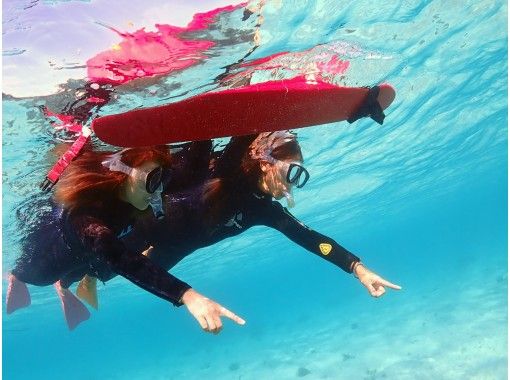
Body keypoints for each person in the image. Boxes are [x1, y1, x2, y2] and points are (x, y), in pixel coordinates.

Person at [73, 131, 401, 334]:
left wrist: (358, 269)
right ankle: (71, 275)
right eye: (292, 172)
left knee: (105, 274)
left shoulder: (264, 209)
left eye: (299, 176)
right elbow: (241, 129)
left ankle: (81, 282)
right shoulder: (226, 170)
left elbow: (311, 239)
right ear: (265, 162)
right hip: (149, 224)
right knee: (105, 259)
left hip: (173, 249)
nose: (291, 184)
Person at [6, 145, 245, 331]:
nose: (159, 189)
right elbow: (120, 257)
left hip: (86, 258)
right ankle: (15, 278)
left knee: (83, 269)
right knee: (38, 276)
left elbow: (192, 171)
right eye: (153, 180)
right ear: (122, 171)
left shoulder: (133, 197)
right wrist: (187, 295)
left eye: (163, 179)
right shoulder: (84, 214)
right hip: (43, 263)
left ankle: (64, 286)